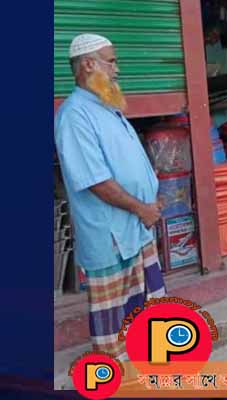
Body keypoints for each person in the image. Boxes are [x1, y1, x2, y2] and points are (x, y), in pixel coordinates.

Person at [55, 34, 167, 358]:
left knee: (147, 311)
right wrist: (142, 208)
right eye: (112, 61)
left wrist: (148, 198)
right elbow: (96, 181)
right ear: (89, 64)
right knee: (114, 331)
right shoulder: (75, 115)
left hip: (137, 230)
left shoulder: (106, 106)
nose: (117, 69)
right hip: (112, 236)